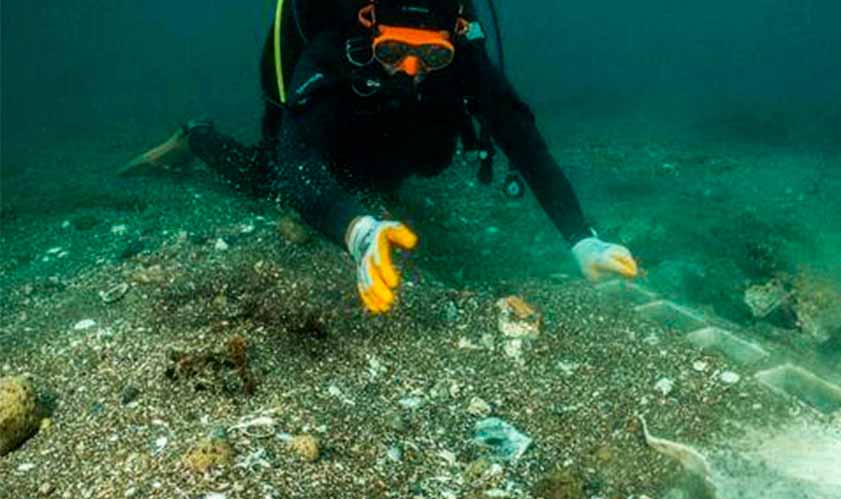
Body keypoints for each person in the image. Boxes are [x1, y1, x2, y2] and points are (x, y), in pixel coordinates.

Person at [121, 0, 639, 313]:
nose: (412, 69)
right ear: (370, 30)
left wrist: (582, 239)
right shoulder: (331, 43)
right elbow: (300, 166)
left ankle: (366, 180)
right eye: (395, 52)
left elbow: (522, 138)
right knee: (270, 179)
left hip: (386, 127)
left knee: (418, 155)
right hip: (332, 108)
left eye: (431, 56)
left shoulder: (466, 55)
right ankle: (198, 138)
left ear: (452, 42)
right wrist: (356, 230)